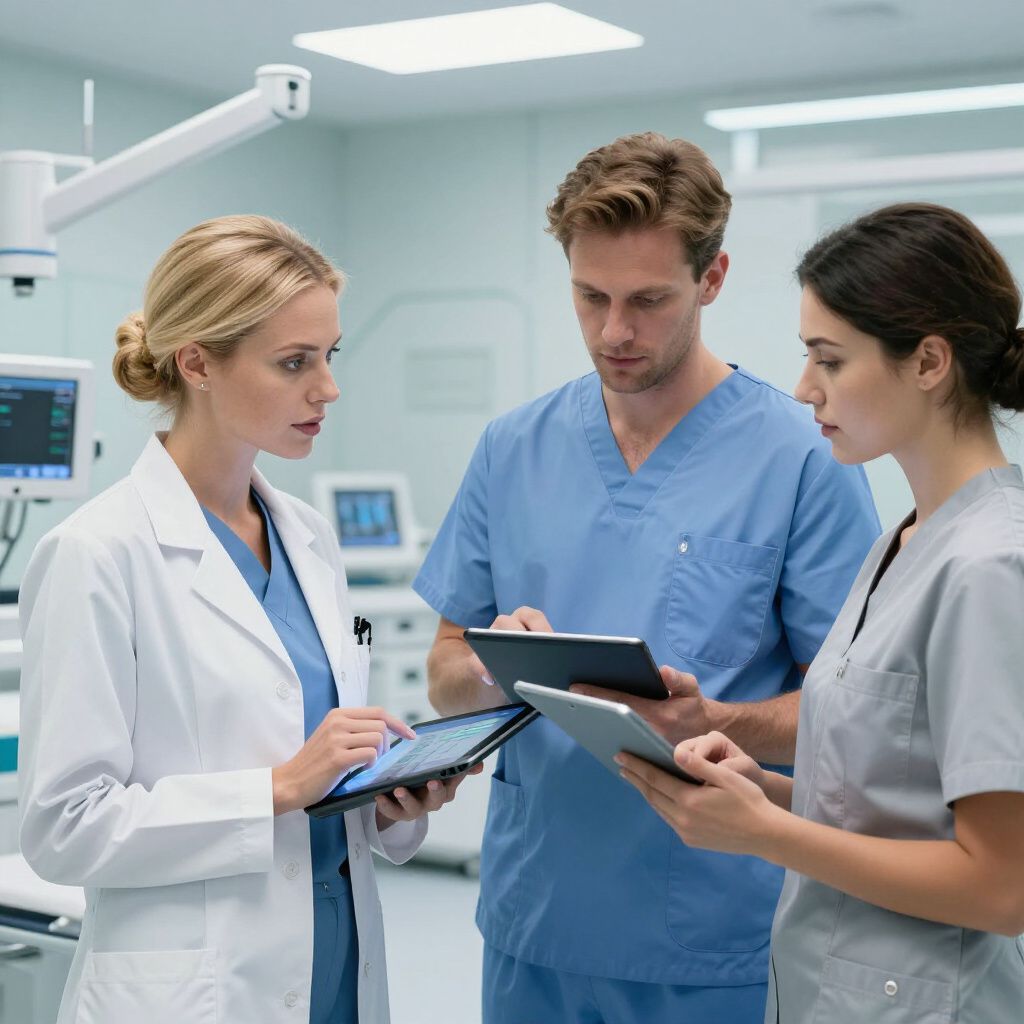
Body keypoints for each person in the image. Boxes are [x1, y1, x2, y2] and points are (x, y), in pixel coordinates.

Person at [412, 132, 880, 1023]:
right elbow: (443, 671)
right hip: (533, 921)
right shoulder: (513, 448)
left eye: (648, 300)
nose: (613, 331)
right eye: (590, 297)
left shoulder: (803, 455)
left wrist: (715, 721)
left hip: (713, 938)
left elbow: (850, 716)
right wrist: (484, 666)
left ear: (712, 279)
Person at [18, 215, 474, 1024]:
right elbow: (65, 829)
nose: (326, 388)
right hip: (194, 994)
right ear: (197, 362)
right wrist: (279, 788)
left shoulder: (308, 538)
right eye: (294, 363)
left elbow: (318, 784)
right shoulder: (97, 553)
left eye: (330, 357)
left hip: (335, 968)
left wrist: (384, 800)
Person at [620, 202, 1024, 1023]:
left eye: (829, 360)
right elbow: (889, 794)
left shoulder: (990, 567)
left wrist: (766, 835)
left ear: (929, 362)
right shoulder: (902, 543)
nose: (805, 387)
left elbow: (1001, 886)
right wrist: (761, 793)